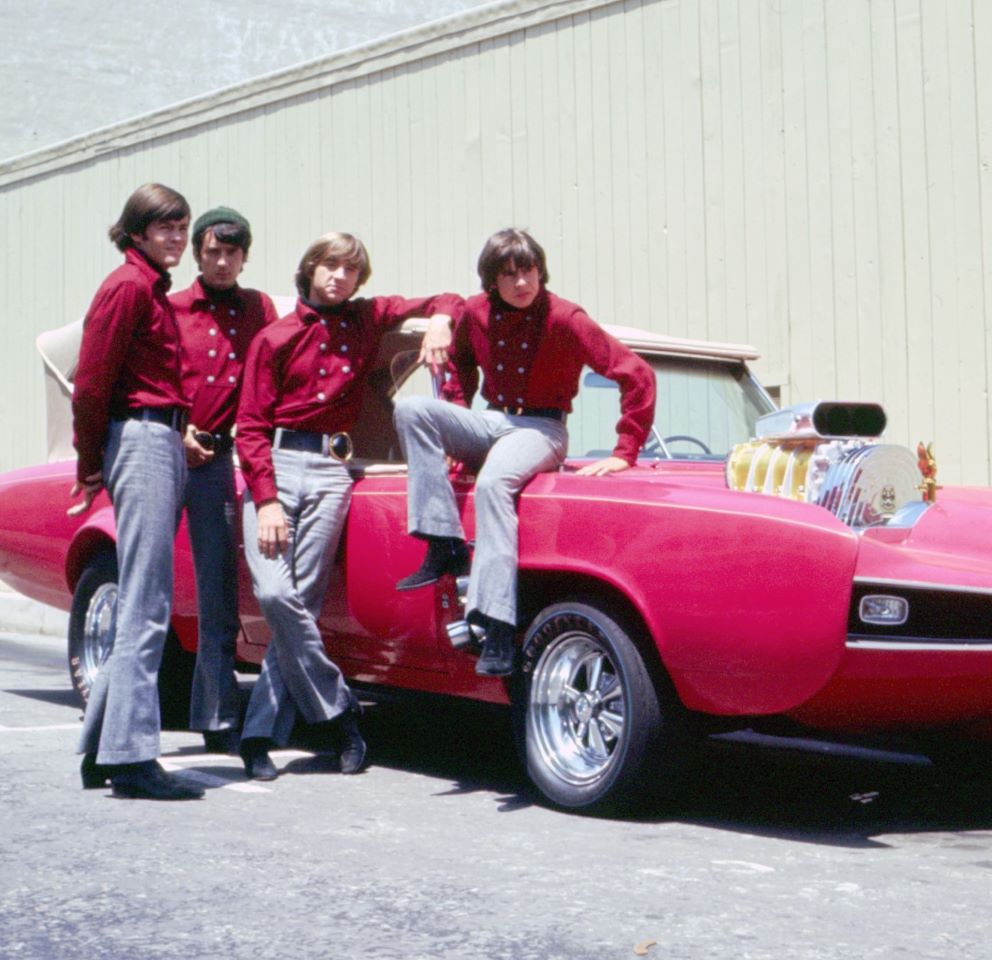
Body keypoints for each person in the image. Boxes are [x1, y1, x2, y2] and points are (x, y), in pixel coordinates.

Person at [235, 231, 462, 781]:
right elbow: (249, 427)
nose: (339, 277)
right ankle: (341, 713)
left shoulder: (366, 319)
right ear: (310, 268)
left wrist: (440, 321)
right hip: (275, 468)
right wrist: (265, 500)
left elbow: (450, 298)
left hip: (334, 471)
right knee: (275, 593)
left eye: (350, 270)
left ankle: (258, 735)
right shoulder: (276, 337)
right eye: (330, 266)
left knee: (301, 607)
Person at [393, 228, 656, 676]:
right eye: (509, 274)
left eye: (528, 270)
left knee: (494, 483)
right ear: (492, 280)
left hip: (542, 427)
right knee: (414, 409)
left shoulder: (566, 318)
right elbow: (458, 364)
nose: (521, 283)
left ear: (541, 271)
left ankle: (496, 623)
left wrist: (625, 451)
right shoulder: (476, 313)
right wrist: (458, 417)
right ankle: (443, 543)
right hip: (491, 420)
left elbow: (638, 373)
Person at [72, 183, 205, 800]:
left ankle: (103, 749)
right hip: (143, 440)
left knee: (140, 600)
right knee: (147, 602)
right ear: (137, 232)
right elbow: (92, 381)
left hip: (164, 439)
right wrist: (88, 463)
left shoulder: (149, 287)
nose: (177, 238)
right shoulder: (128, 286)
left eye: (182, 227)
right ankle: (132, 758)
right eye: (165, 228)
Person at [170, 207, 280, 754]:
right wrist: (177, 430)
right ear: (197, 254)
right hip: (170, 452)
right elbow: (142, 377)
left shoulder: (260, 309)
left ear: (244, 256)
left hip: (222, 459)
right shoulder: (168, 309)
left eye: (231, 253)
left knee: (218, 589)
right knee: (142, 592)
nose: (220, 261)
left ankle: (215, 717)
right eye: (211, 252)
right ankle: (106, 733)